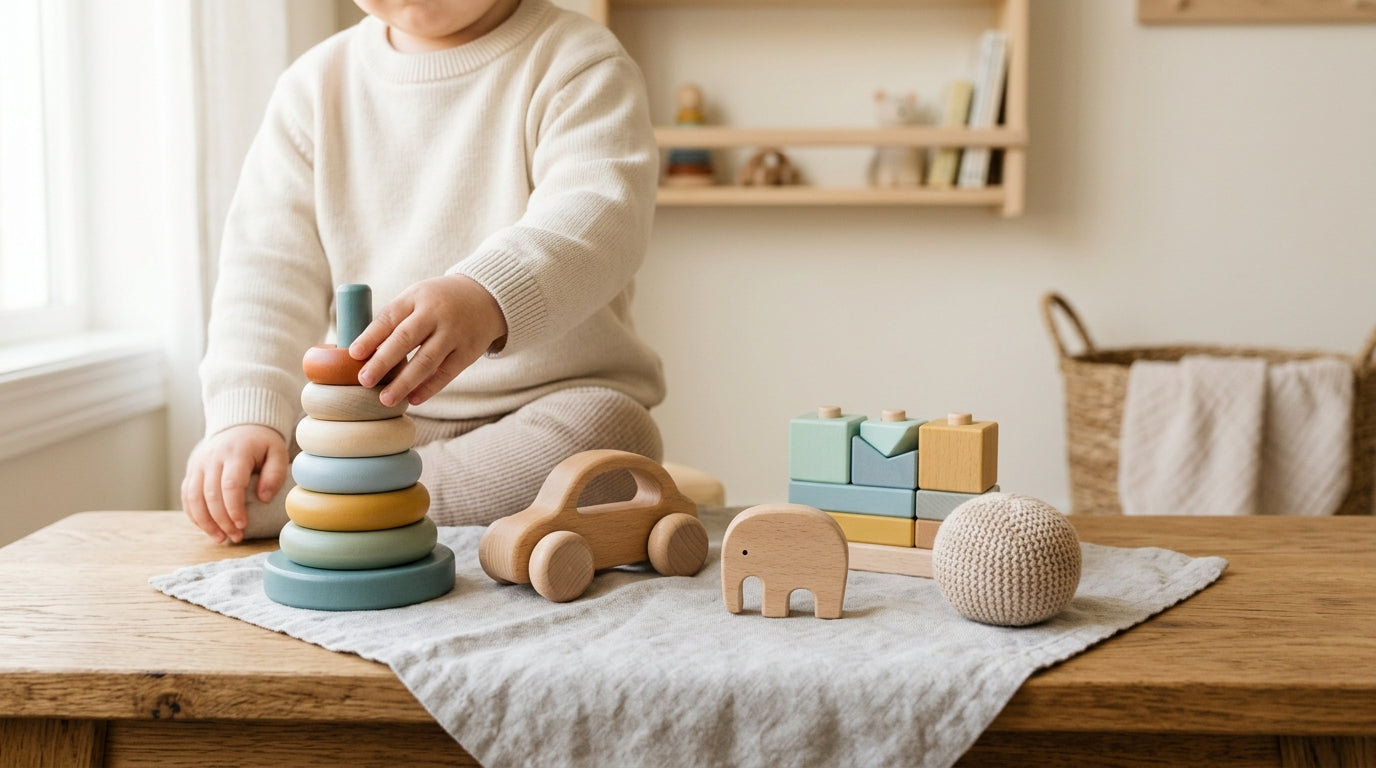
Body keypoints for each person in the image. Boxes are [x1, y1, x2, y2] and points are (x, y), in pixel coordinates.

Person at [182, 0, 665, 543]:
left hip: (544, 404)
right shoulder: (312, 88)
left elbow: (601, 215)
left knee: (616, 443)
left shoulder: (578, 60)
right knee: (249, 475)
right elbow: (265, 272)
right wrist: (247, 414)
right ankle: (364, 495)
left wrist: (487, 294)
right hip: (366, 415)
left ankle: (359, 503)